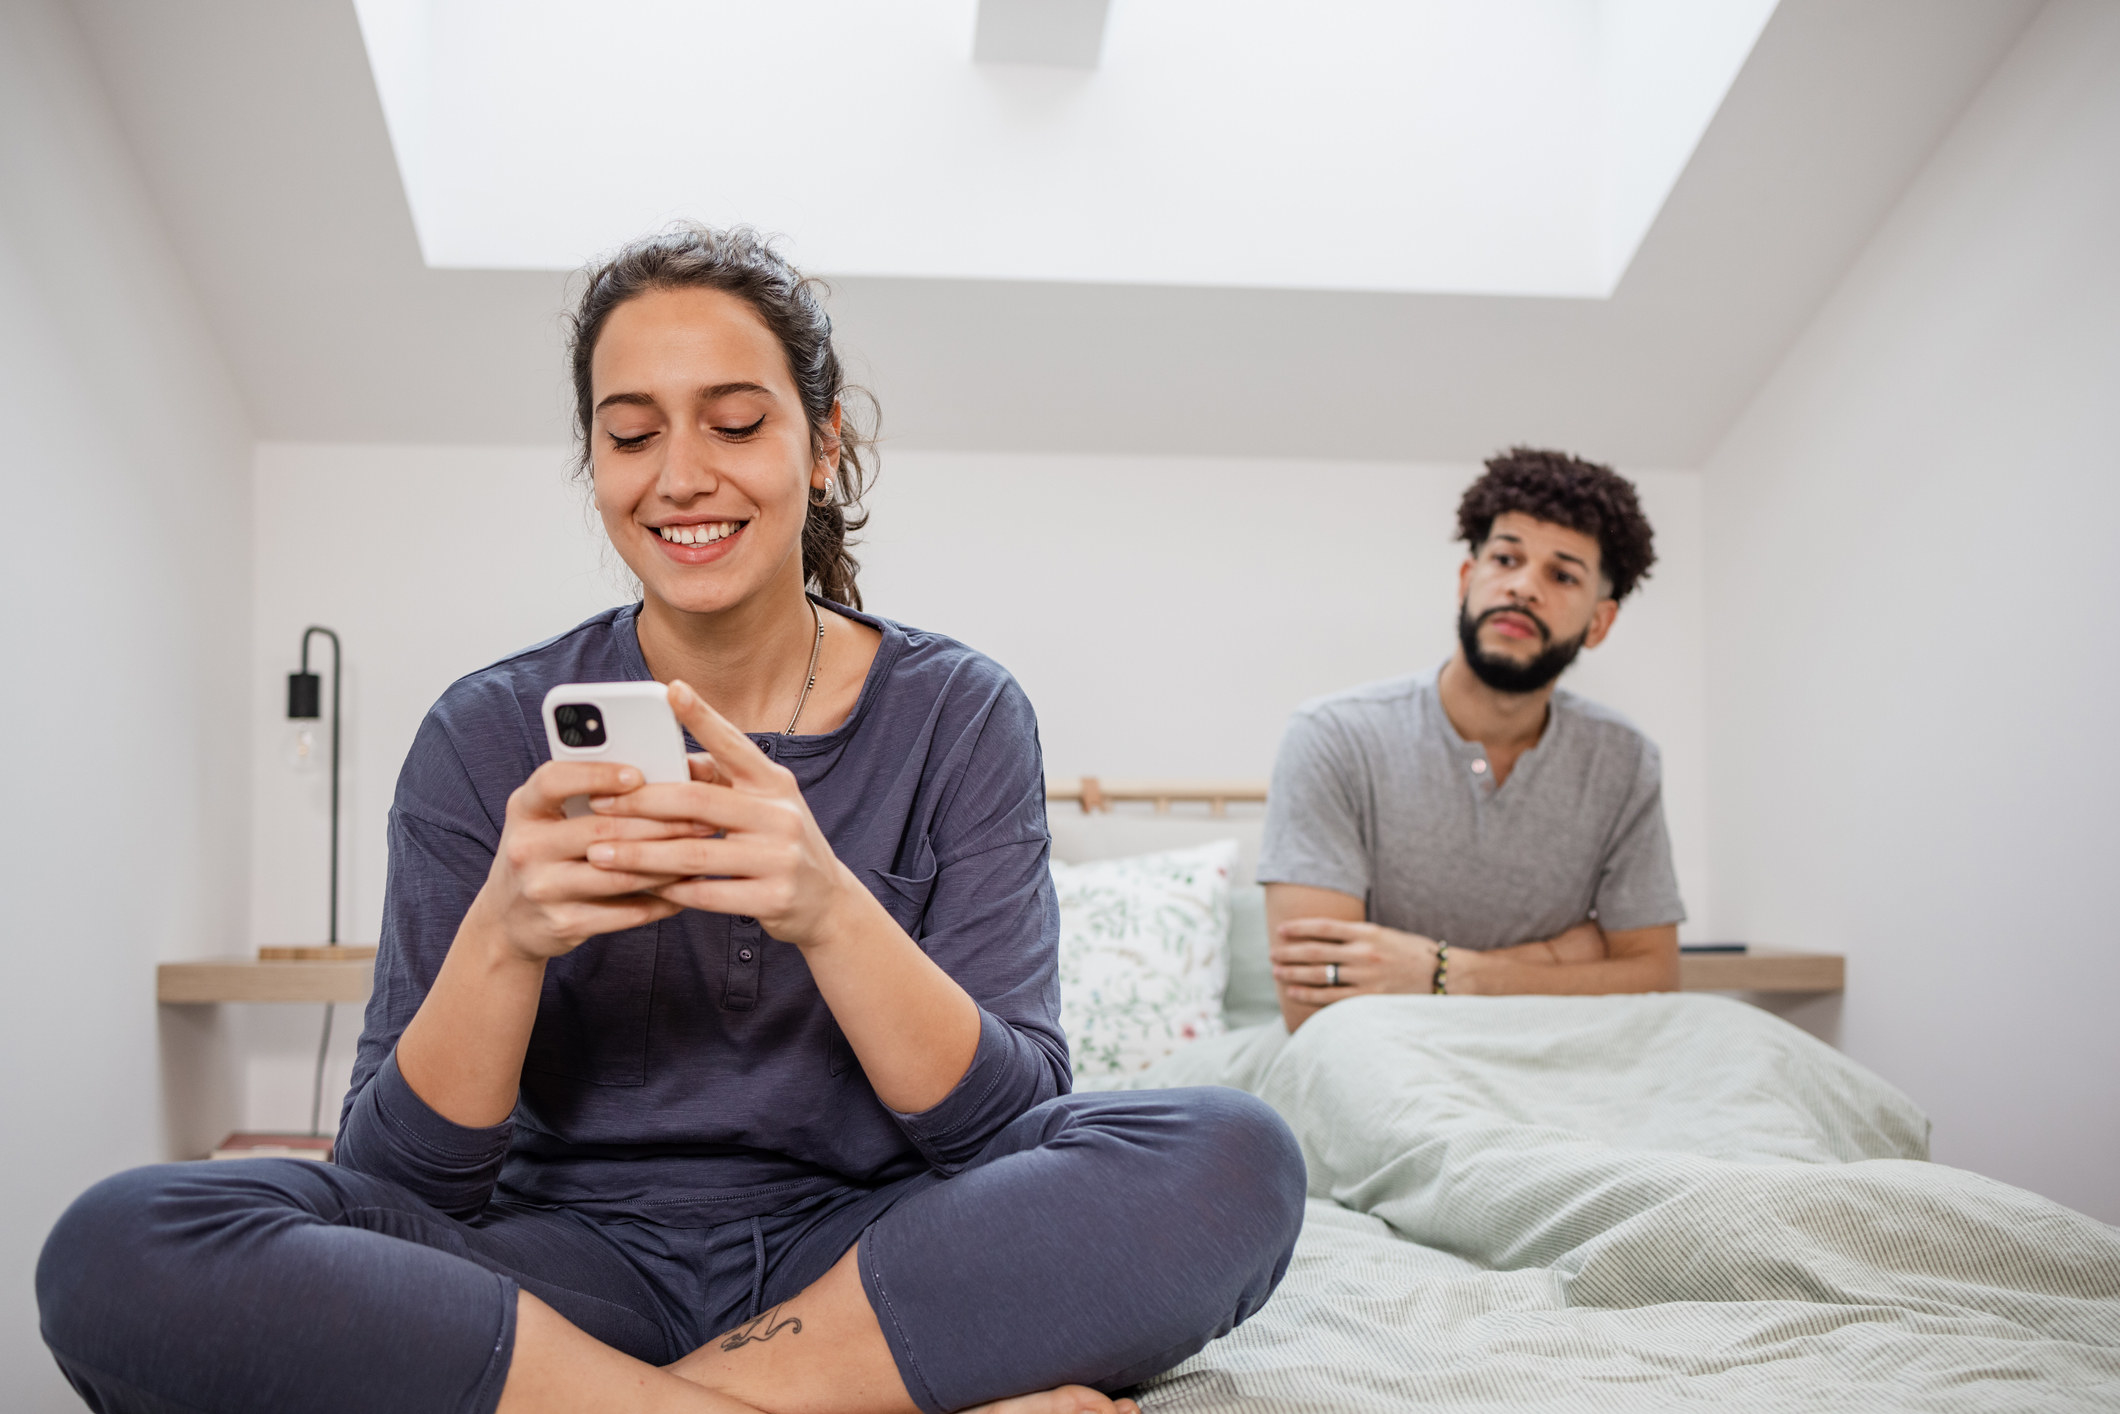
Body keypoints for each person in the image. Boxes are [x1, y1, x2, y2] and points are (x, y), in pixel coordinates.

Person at [37, 226, 1304, 1414]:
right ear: (594, 466)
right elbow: (400, 1184)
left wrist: (825, 905)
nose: (682, 476)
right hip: (558, 1271)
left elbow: (998, 1130)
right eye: (630, 434)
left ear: (823, 445)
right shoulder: (483, 734)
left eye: (736, 423)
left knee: (1233, 1155)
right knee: (119, 1247)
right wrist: (504, 939)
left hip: (872, 1261)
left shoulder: (958, 714)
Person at [1261, 449, 1685, 1032]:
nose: (1522, 587)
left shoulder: (1625, 762)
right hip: (1378, 1062)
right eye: (1506, 558)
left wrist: (1445, 972)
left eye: (1562, 575)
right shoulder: (1335, 737)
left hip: (1559, 1059)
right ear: (1468, 579)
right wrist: (1567, 956)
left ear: (1599, 622)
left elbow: (1655, 977)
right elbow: (1313, 1006)